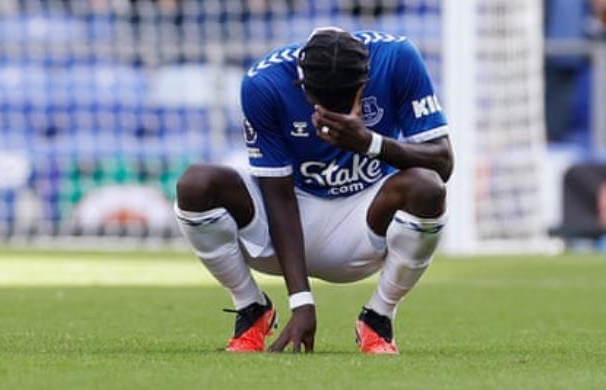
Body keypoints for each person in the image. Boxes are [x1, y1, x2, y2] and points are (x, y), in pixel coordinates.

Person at [174, 27, 453, 354]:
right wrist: (301, 302)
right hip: (288, 218)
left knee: (428, 187)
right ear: (301, 85)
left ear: (364, 83)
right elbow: (277, 194)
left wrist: (371, 144)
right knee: (196, 184)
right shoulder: (263, 82)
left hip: (363, 220)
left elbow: (443, 161)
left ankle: (379, 317)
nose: (329, 111)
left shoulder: (397, 57)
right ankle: (251, 308)